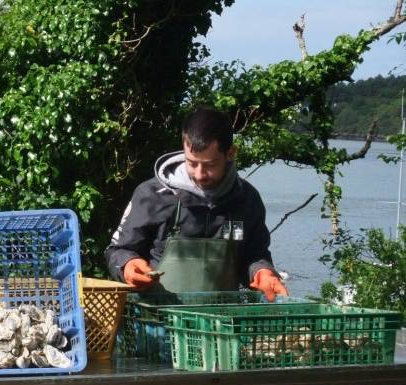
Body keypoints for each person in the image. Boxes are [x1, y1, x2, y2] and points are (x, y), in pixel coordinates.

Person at [105, 108, 289, 301]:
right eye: (192, 163)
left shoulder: (247, 199)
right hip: (158, 321)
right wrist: (128, 265)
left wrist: (263, 272)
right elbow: (117, 251)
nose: (200, 174)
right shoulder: (151, 194)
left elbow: (255, 255)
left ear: (230, 153)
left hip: (222, 322)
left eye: (210, 165)